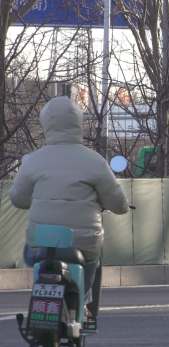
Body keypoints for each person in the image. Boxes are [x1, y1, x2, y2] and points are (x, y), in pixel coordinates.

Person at [10, 96, 129, 326]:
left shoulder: (33, 161)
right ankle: (85, 304)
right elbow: (118, 203)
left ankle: (41, 294)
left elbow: (18, 199)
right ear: (78, 124)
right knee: (93, 262)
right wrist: (119, 206)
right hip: (82, 243)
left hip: (40, 243)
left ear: (46, 124)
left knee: (31, 254)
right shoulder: (94, 161)